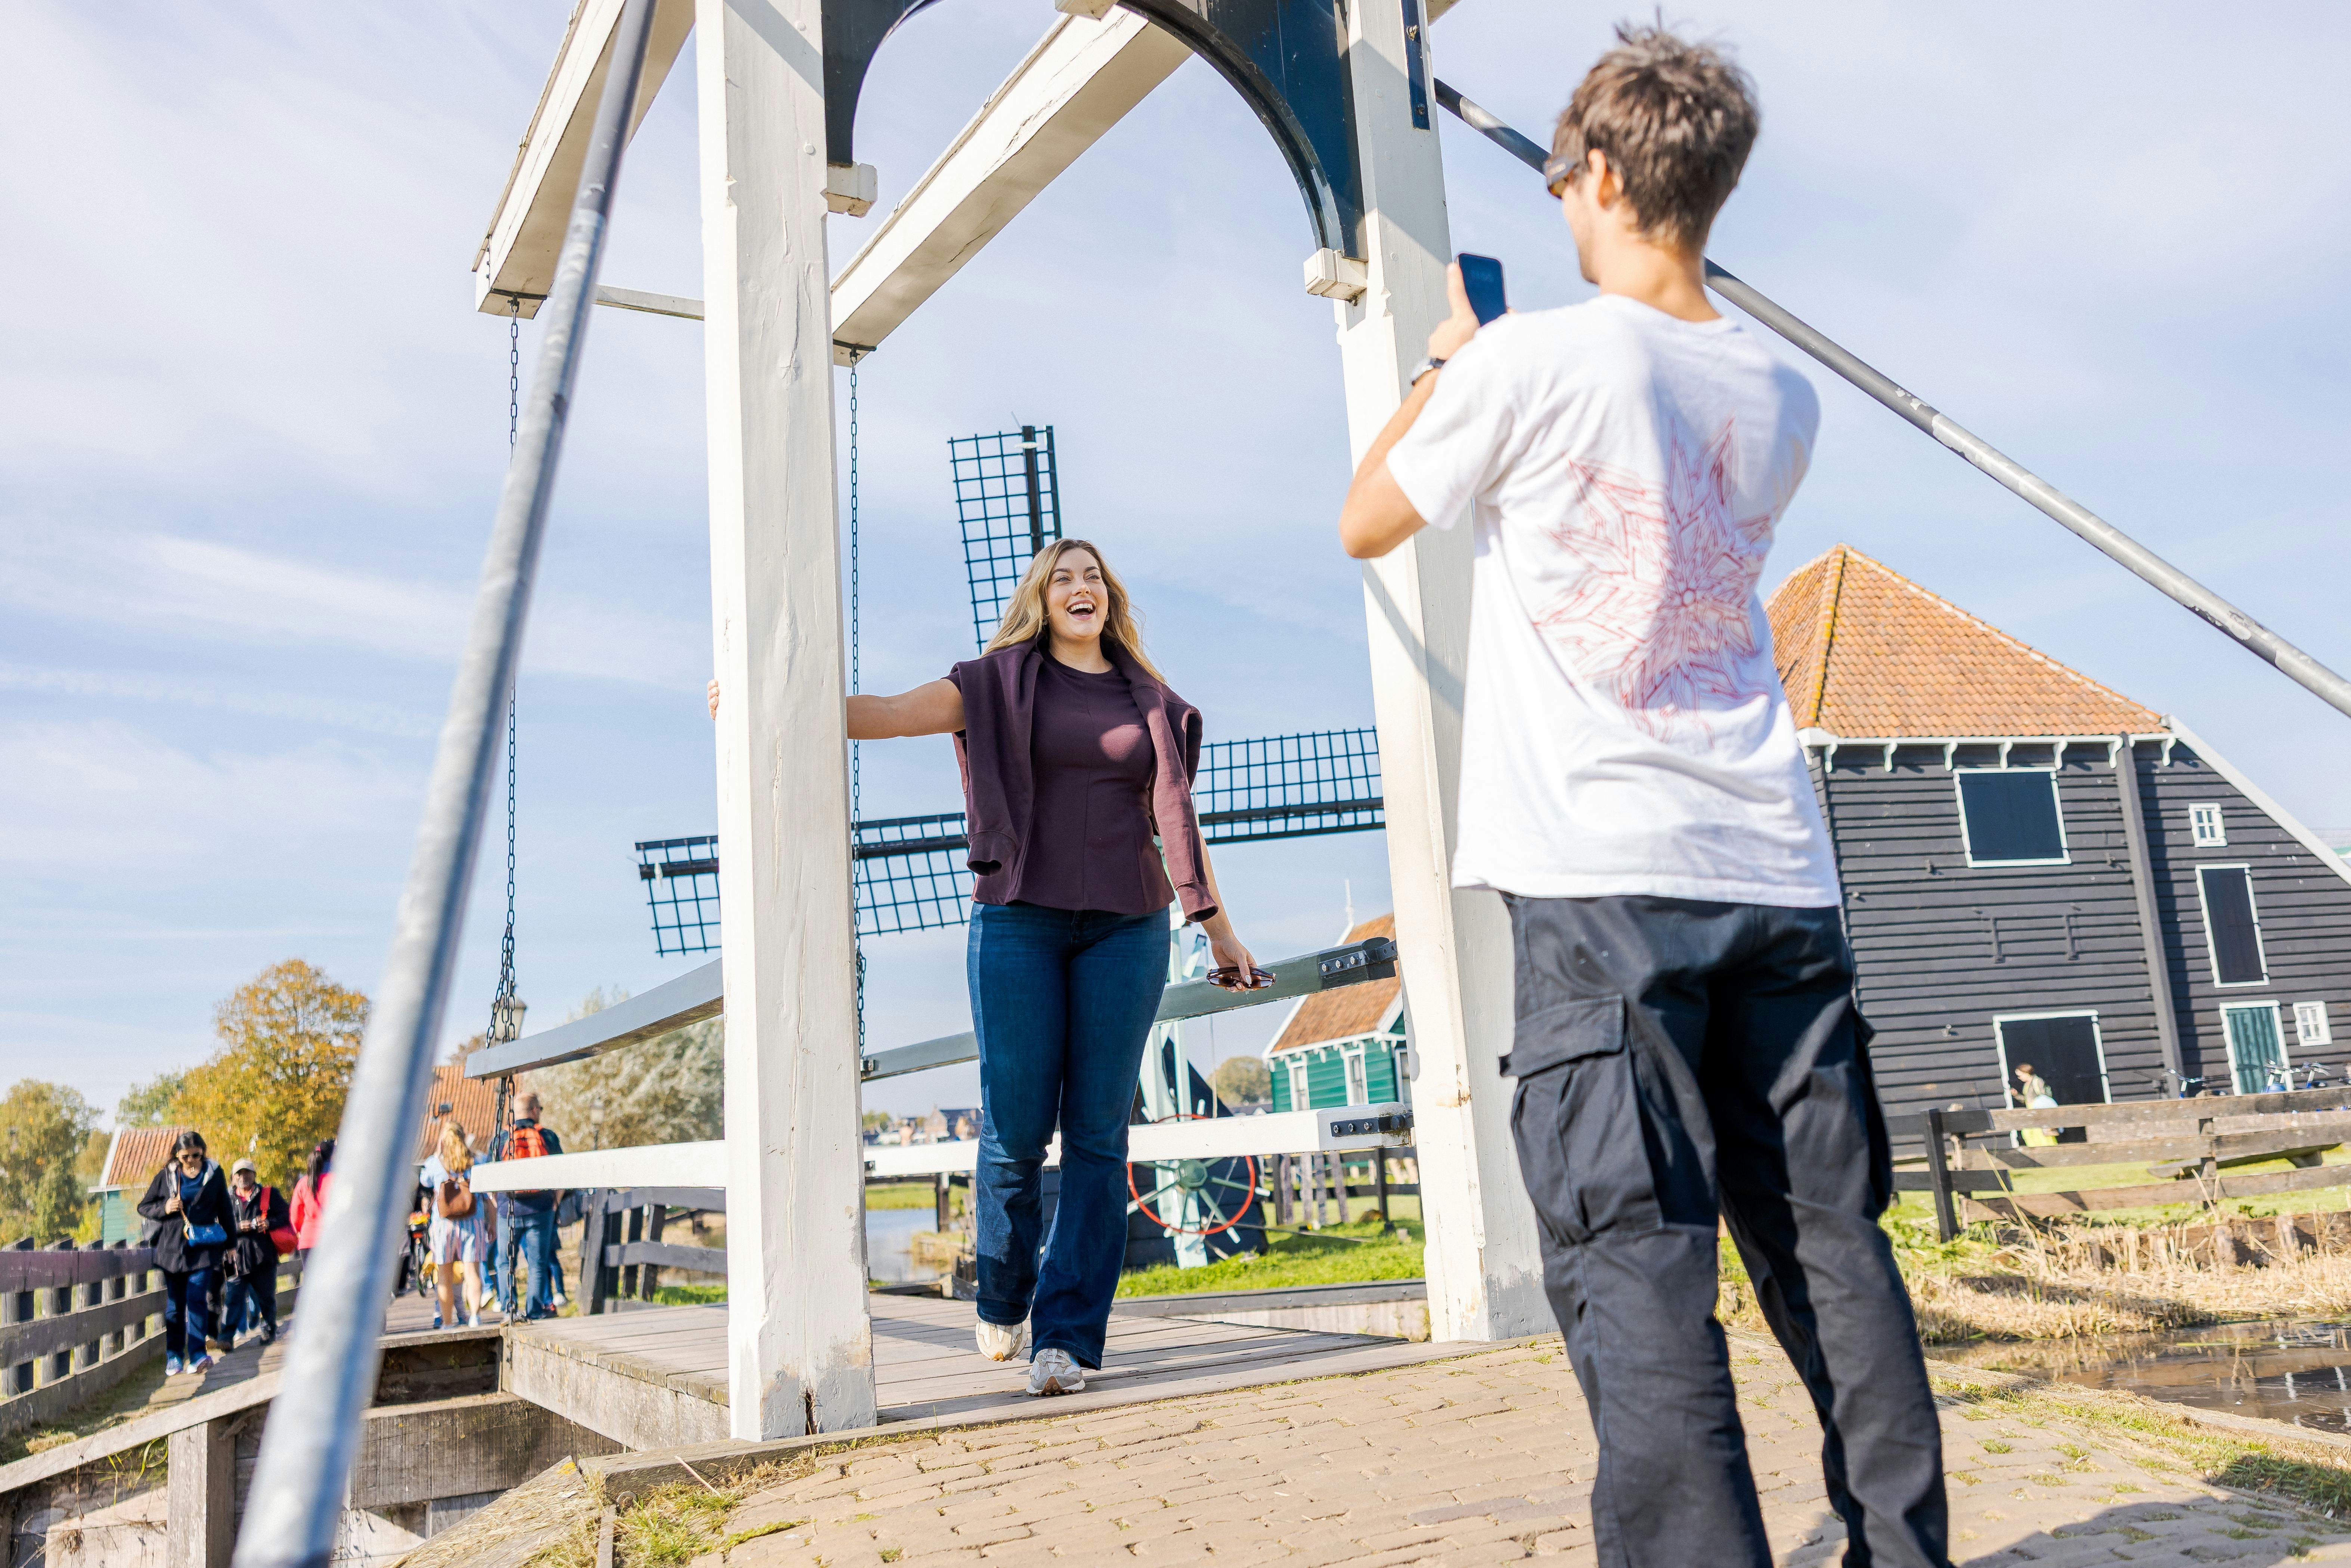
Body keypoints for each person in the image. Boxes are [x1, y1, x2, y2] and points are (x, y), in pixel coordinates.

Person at [1334, 26, 1949, 1567]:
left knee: (1634, 1249)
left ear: (1602, 173)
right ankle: (1903, 1547)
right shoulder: (1778, 391)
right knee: (1827, 1236)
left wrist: (1439, 370)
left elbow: (1364, 518)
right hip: (1771, 854)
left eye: (1558, 174)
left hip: (1601, 866)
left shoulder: (1535, 354)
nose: (1555, 199)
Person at [715, 537, 1264, 1397]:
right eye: (1062, 578)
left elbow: (1175, 824)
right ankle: (1003, 1288)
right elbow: (891, 712)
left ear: (1110, 598)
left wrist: (1218, 928)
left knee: (1096, 1133)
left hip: (1128, 925)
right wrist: (766, 700)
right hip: (1019, 921)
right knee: (1013, 1130)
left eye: (1092, 576)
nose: (1079, 588)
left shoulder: (1149, 702)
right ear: (1041, 601)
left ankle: (1068, 1340)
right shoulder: (993, 683)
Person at [136, 1130, 232, 1376]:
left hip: (203, 1249)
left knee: (197, 1298)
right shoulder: (167, 1176)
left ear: (203, 1153)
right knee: (175, 1306)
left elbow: (225, 1208)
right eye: (186, 1156)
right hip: (171, 1250)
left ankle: (198, 1355)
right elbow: (144, 1206)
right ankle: (175, 1357)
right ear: (178, 1156)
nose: (191, 1161)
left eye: (196, 1155)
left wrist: (232, 1244)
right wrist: (165, 1207)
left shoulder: (214, 1174)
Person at [488, 1093, 564, 1321]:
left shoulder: (501, 1139)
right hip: (540, 1210)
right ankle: (535, 1311)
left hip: (508, 1210)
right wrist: (555, 1203)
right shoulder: (548, 1137)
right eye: (539, 1108)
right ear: (533, 1111)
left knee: (504, 1261)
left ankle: (509, 1310)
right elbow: (562, 1173)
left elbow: (489, 1178)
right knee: (537, 1263)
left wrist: (498, 1203)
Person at [422, 1123, 493, 1330]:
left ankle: (447, 1322)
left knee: (444, 1276)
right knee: (473, 1272)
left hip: (444, 1225)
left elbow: (425, 1180)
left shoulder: (435, 1163)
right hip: (473, 1222)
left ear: (443, 1141)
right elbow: (487, 1196)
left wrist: (437, 1153)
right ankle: (474, 1317)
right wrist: (492, 1223)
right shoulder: (477, 1161)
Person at [221, 1158, 291, 1348]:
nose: (243, 1177)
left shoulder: (269, 1194)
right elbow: (217, 1226)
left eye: (247, 1173)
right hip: (233, 1258)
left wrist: (269, 1223)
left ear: (254, 1175)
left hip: (263, 1256)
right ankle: (226, 1338)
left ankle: (269, 1330)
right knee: (233, 1298)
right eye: (239, 1174)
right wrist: (238, 1227)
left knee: (266, 1297)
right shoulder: (226, 1199)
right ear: (233, 1178)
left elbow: (286, 1215)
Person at [289, 1138, 333, 1267]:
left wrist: (299, 1230)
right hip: (330, 1240)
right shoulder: (335, 1180)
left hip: (308, 1242)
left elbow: (295, 1216)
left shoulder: (303, 1183)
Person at [2013, 1062, 2062, 1147]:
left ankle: (2050, 1152)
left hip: (2039, 1111)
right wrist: (2016, 1095)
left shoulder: (2037, 1081)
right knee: (2028, 1133)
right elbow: (2027, 1100)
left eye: (2020, 1075)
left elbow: (2045, 1098)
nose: (2019, 1078)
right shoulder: (2026, 1085)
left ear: (2027, 1073)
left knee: (2042, 1135)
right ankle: (2036, 1153)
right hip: (2032, 1111)